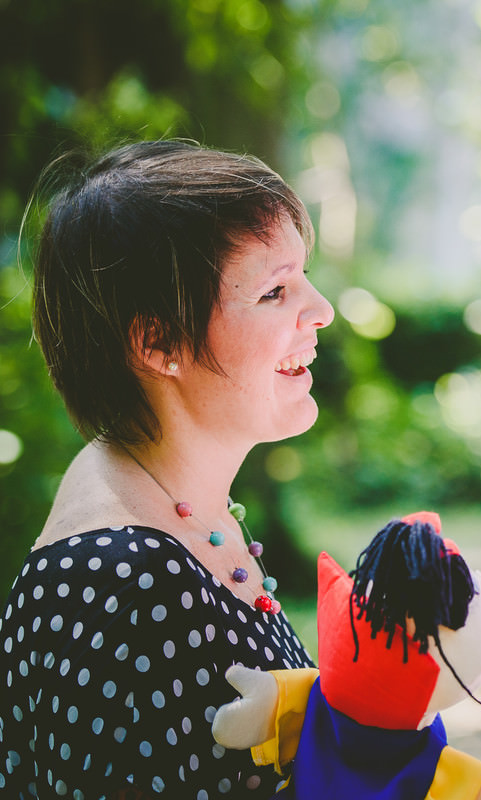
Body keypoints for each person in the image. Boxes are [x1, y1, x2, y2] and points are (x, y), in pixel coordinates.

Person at [0, 140, 335, 798]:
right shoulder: (111, 578)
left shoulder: (196, 518)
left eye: (303, 276)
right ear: (158, 342)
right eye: (274, 291)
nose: (320, 308)